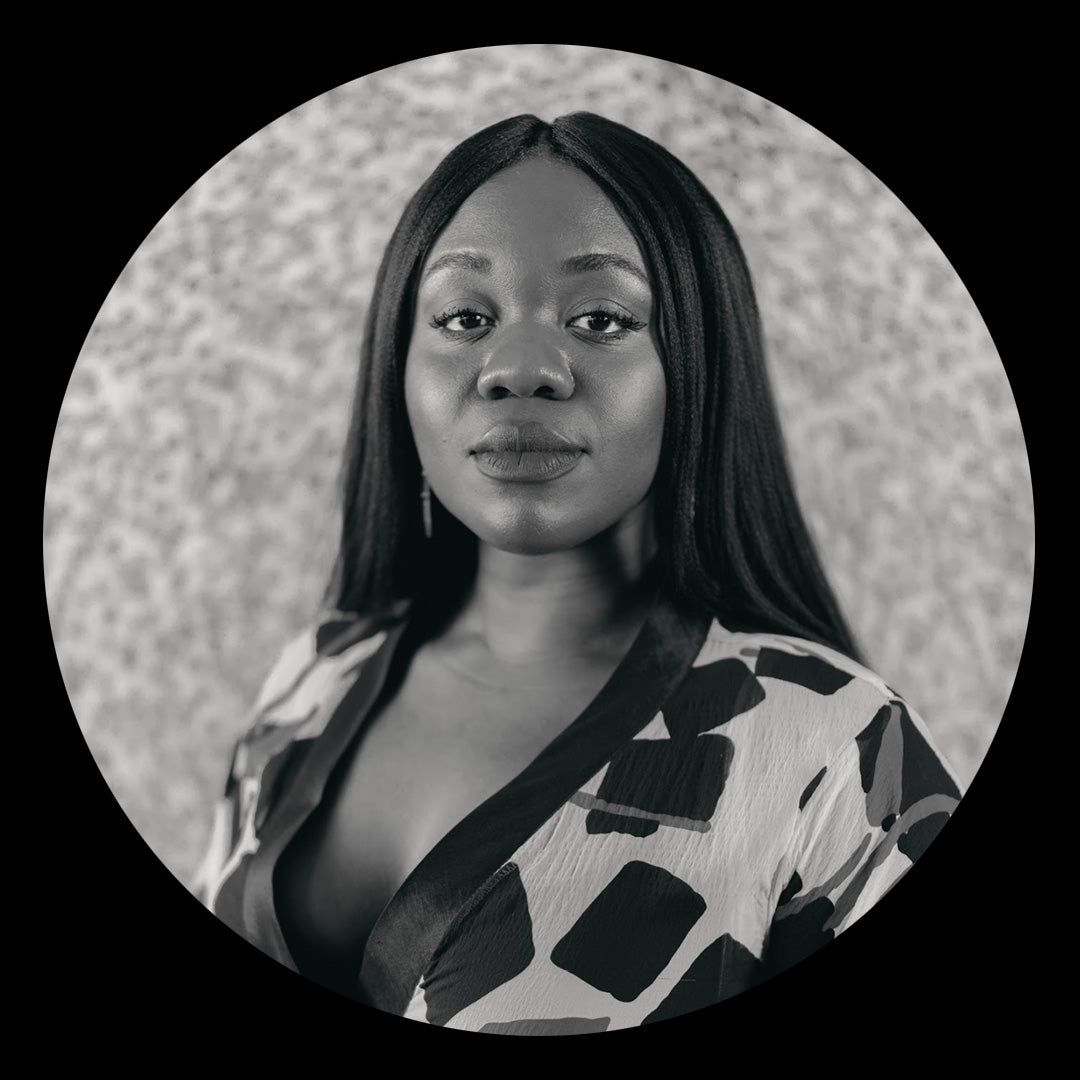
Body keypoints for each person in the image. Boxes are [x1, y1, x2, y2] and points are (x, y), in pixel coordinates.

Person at [193, 112, 963, 1035]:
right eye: (465, 318)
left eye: (600, 319)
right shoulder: (314, 676)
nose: (520, 369)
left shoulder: (838, 744)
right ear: (396, 365)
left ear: (697, 366)